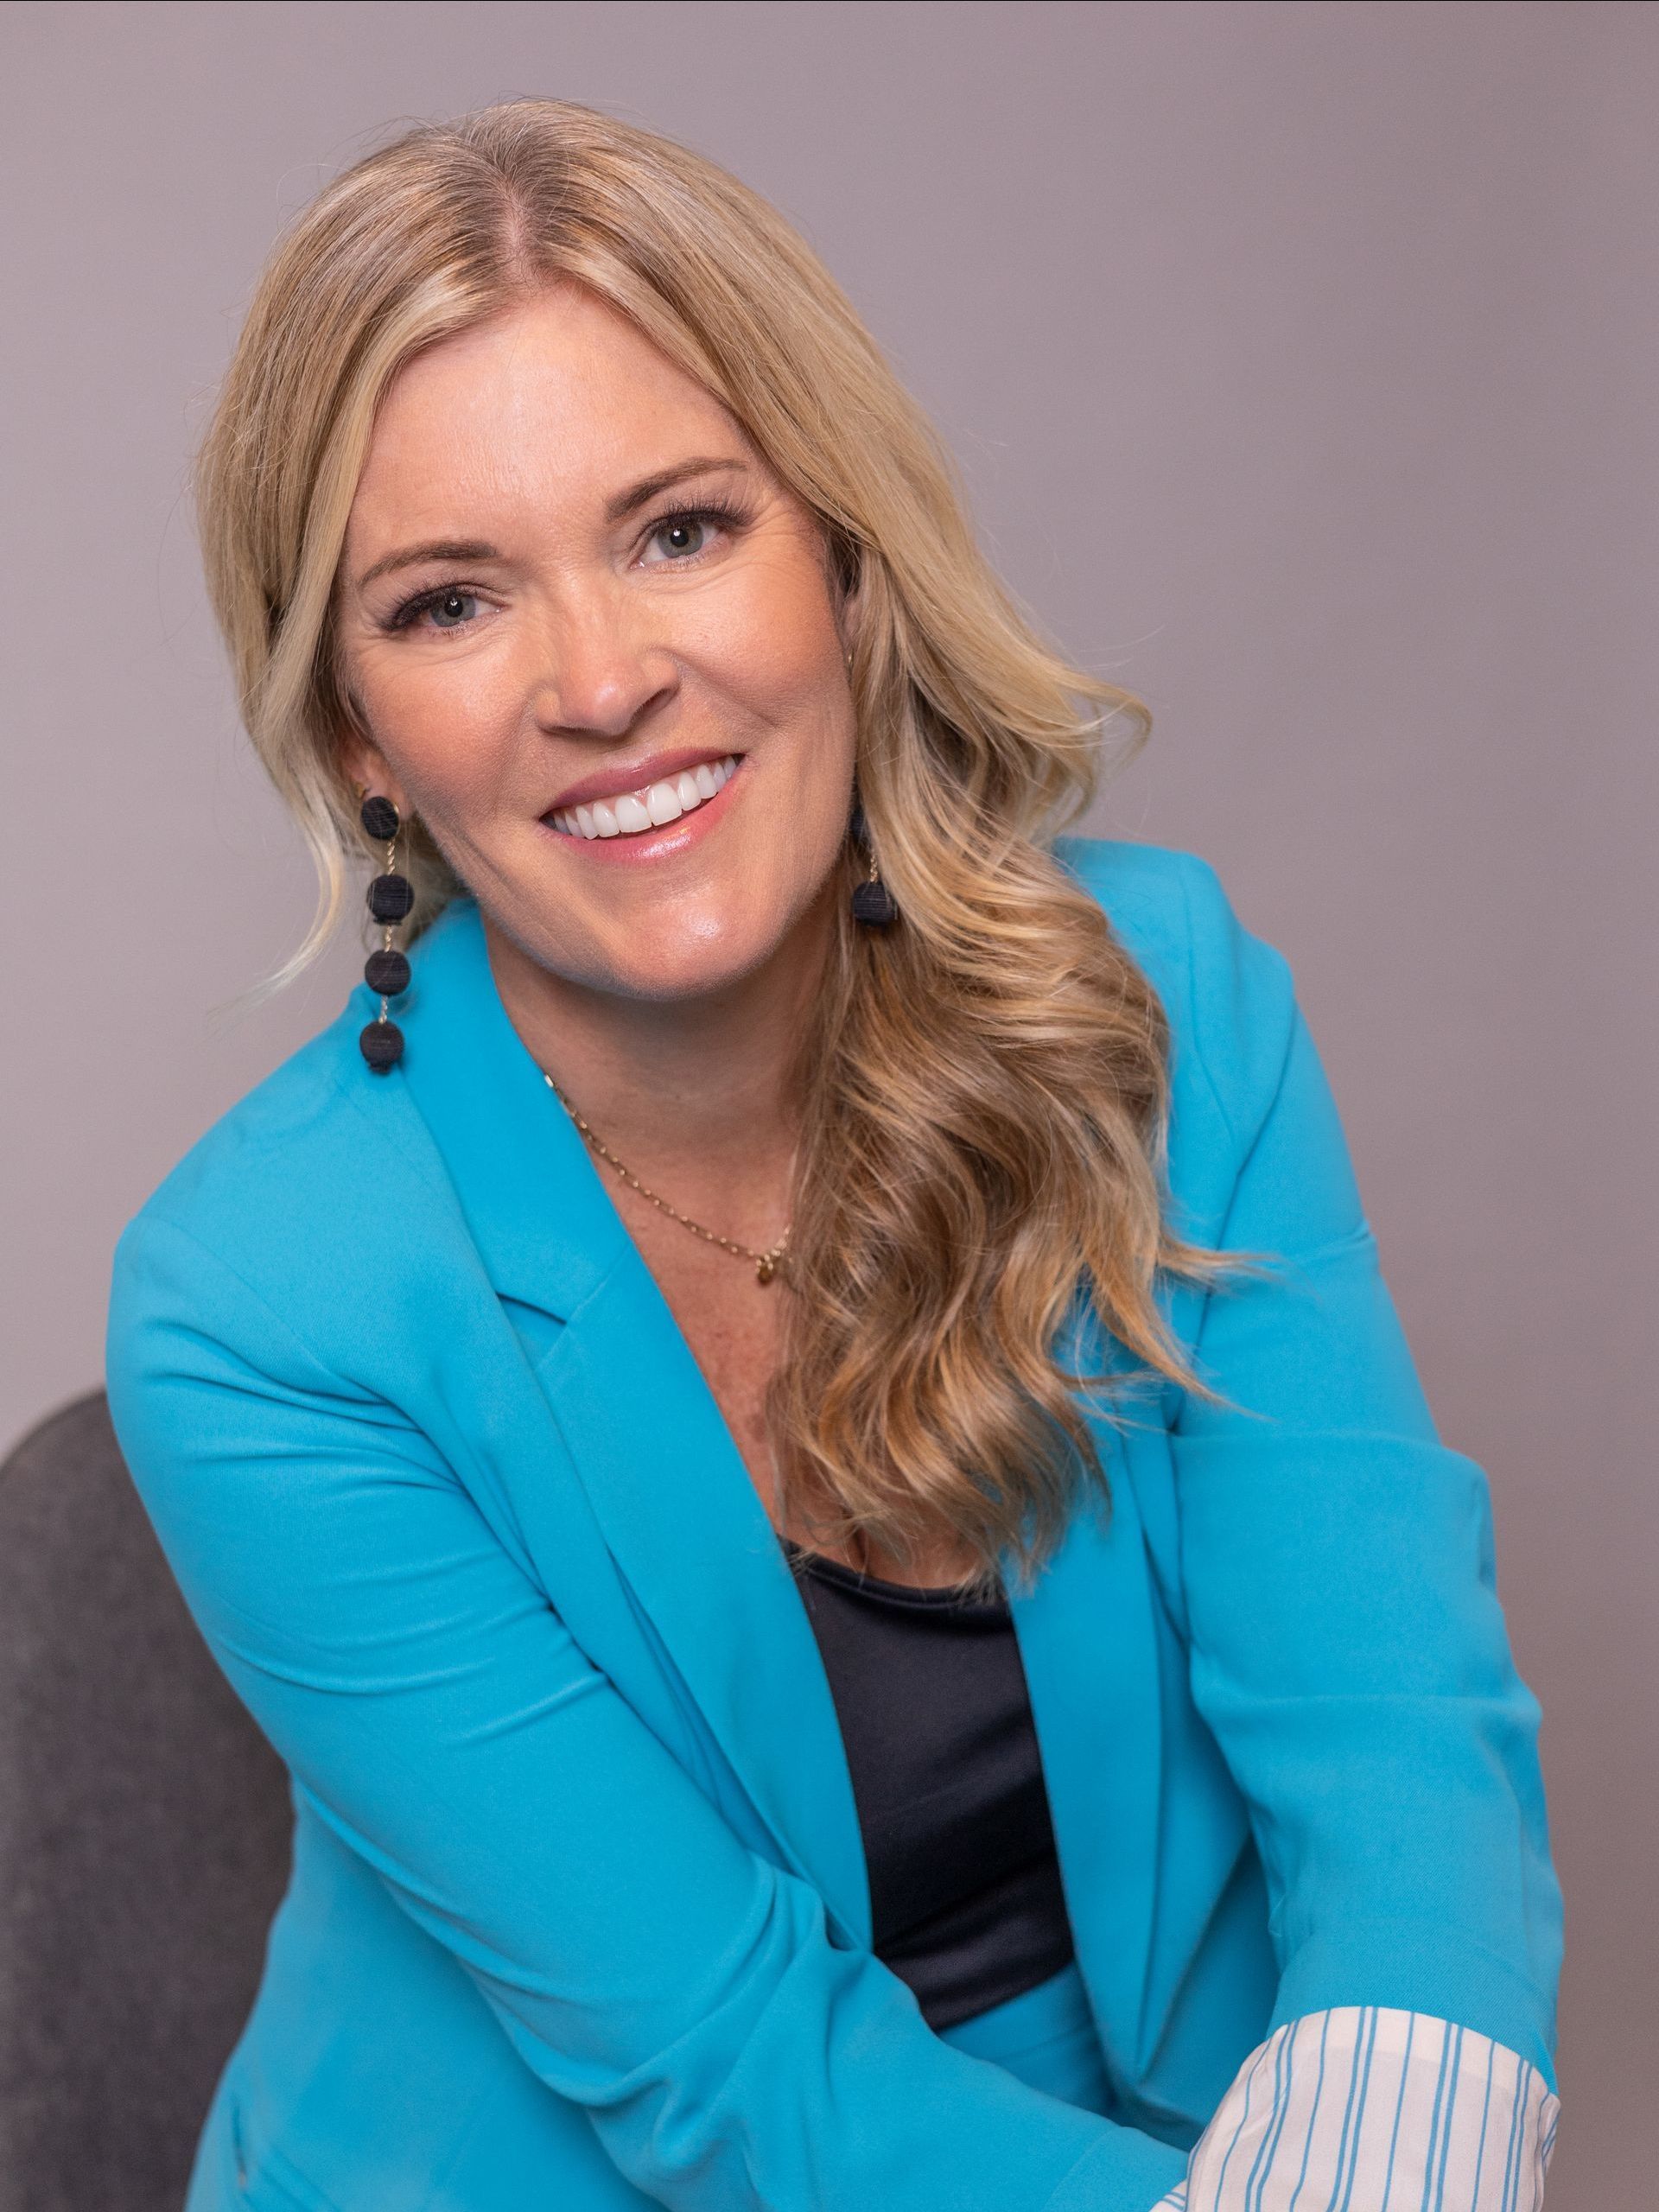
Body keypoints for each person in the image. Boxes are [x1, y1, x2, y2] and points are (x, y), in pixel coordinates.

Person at [105, 99, 1561, 2212]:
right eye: (447, 601)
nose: (603, 680)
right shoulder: (257, 1308)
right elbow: (721, 2062)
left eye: (680, 527)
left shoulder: (1159, 1010)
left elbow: (1391, 1733)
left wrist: (1395, 2138)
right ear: (352, 726)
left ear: (841, 554)